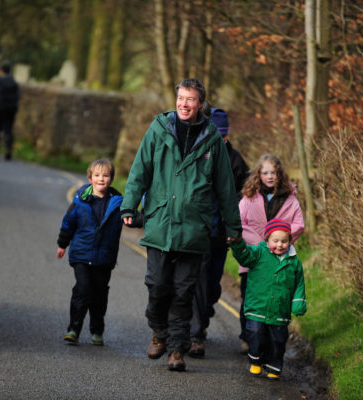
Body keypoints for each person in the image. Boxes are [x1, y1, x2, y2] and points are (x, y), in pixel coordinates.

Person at [121, 78, 242, 372]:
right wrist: (129, 204)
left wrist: (232, 227)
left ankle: (176, 349)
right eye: (181, 98)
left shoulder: (212, 139)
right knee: (158, 286)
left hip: (194, 228)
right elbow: (140, 170)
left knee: (184, 291)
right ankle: (159, 332)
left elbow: (226, 188)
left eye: (190, 99)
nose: (184, 104)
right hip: (161, 223)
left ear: (201, 104)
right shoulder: (159, 129)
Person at [189, 107, 250, 358]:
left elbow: (246, 191)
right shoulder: (198, 153)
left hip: (221, 234)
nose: (221, 138)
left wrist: (231, 207)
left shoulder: (235, 160)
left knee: (213, 285)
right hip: (197, 231)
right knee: (198, 282)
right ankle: (196, 331)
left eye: (224, 135)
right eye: (217, 133)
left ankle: (203, 314)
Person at [238, 154, 304, 353]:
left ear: (279, 174)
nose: (269, 176)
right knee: (249, 297)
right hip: (254, 257)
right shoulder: (249, 197)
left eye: (273, 172)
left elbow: (299, 224)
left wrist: (279, 239)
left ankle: (269, 341)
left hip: (278, 258)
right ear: (258, 174)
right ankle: (248, 337)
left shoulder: (290, 199)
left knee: (274, 299)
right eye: (265, 172)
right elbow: (239, 223)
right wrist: (259, 243)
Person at [56, 158, 123, 346]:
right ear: (90, 178)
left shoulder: (118, 203)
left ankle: (97, 330)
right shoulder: (80, 201)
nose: (101, 179)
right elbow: (68, 223)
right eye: (97, 175)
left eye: (106, 175)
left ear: (111, 179)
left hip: (104, 258)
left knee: (99, 294)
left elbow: (132, 218)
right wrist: (62, 244)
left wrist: (138, 218)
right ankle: (74, 329)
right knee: (83, 289)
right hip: (81, 255)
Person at [229, 219, 307, 380]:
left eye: (284, 241)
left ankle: (274, 367)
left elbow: (299, 284)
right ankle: (255, 361)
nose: (280, 245)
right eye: (275, 241)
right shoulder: (258, 253)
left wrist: (298, 303)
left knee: (277, 340)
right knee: (256, 334)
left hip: (280, 310)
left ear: (290, 241)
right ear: (267, 240)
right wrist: (237, 243)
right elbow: (244, 255)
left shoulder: (294, 262)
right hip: (257, 306)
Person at [0, 61, 19, 160]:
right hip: (11, 109)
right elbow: (18, 96)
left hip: (0, 108)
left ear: (1, 71)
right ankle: (8, 149)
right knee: (8, 129)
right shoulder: (14, 82)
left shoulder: (0, 81)